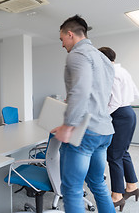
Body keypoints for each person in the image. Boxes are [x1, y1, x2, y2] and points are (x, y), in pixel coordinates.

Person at [51, 15, 115, 213]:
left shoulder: (77, 55)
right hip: (104, 131)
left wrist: (67, 126)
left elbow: (80, 90)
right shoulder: (103, 58)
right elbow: (101, 93)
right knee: (97, 184)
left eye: (62, 39)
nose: (62, 45)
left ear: (70, 34)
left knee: (71, 190)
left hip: (85, 133)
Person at [99, 46, 139, 211]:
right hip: (129, 112)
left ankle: (117, 195)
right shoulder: (123, 71)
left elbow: (114, 102)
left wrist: (102, 115)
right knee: (123, 152)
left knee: (114, 155)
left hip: (120, 115)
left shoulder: (111, 73)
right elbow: (135, 94)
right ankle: (132, 186)